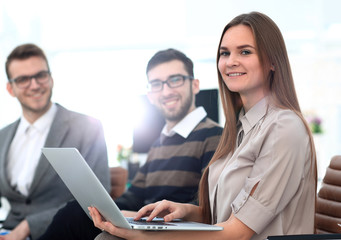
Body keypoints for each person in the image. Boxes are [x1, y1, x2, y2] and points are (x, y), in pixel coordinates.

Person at [90, 11, 317, 240]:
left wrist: (143, 236)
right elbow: (226, 216)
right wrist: (186, 211)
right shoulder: (241, 129)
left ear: (273, 62)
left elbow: (237, 233)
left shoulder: (283, 128)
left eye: (245, 51)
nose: (230, 61)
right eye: (224, 53)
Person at [37, 48, 223, 240]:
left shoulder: (216, 137)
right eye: (157, 84)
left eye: (175, 80)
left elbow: (207, 208)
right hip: (145, 224)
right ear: (150, 94)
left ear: (195, 85)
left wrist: (141, 218)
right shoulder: (159, 144)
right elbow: (134, 196)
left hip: (170, 232)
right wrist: (105, 208)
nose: (166, 91)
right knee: (75, 212)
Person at [0, 43, 110, 240]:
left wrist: (28, 226)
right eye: (23, 79)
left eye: (40, 75)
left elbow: (96, 203)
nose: (34, 85)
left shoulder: (87, 128)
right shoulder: (3, 136)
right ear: (10, 88)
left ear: (50, 78)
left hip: (59, 232)